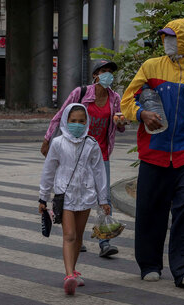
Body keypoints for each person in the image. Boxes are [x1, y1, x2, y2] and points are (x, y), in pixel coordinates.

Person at [120, 18, 184, 288]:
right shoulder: (150, 67)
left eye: (172, 37)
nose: (167, 42)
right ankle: (150, 265)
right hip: (154, 151)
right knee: (150, 209)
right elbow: (127, 100)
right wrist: (142, 114)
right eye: (164, 37)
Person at [41, 60, 126, 257]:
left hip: (100, 152)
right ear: (95, 74)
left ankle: (105, 240)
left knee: (103, 195)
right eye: (104, 71)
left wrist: (121, 123)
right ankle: (76, 238)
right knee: (75, 192)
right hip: (76, 150)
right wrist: (47, 139)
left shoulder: (114, 98)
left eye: (111, 72)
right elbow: (61, 115)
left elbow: (119, 126)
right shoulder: (80, 93)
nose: (108, 76)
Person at [38, 103, 111, 295]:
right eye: (73, 121)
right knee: (69, 235)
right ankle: (69, 275)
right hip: (65, 195)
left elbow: (99, 172)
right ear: (66, 122)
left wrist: (104, 199)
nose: (77, 125)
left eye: (81, 121)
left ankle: (74, 269)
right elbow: (49, 170)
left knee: (78, 236)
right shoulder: (58, 143)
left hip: (86, 195)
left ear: (87, 122)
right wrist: (43, 197)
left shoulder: (92, 144)